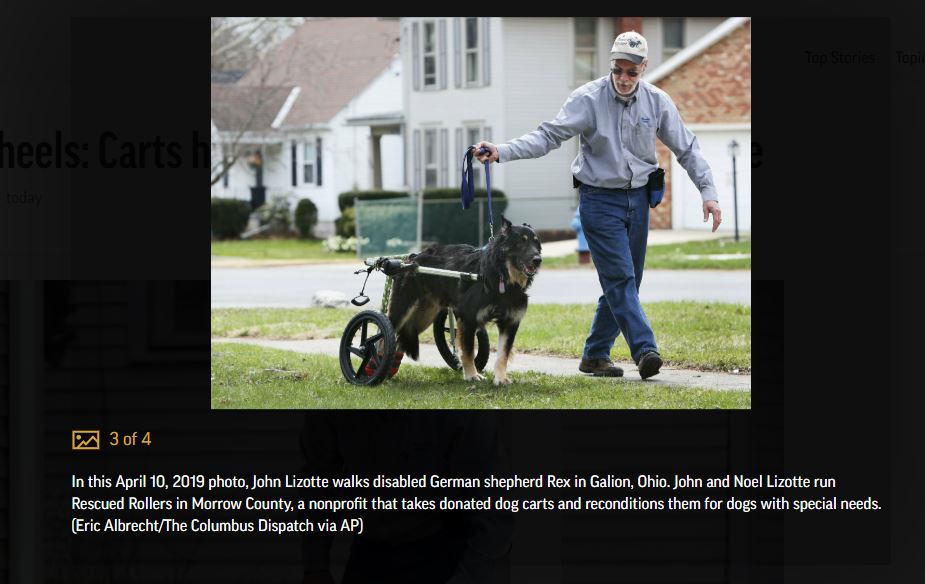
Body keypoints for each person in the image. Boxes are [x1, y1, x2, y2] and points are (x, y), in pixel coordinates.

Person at [476, 30, 721, 380]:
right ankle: (646, 350)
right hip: (598, 200)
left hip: (638, 199)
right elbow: (548, 136)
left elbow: (687, 148)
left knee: (626, 283)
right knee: (620, 278)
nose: (623, 79)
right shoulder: (588, 99)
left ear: (644, 68)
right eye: (618, 70)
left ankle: (595, 354)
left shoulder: (657, 102)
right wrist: (502, 151)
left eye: (632, 73)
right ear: (611, 65)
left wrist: (708, 192)